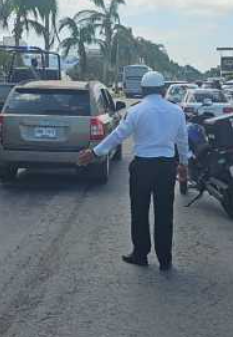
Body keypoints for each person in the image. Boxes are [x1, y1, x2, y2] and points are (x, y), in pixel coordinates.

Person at [78, 71, 188, 271]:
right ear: (163, 90)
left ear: (143, 90)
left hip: (143, 167)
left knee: (139, 211)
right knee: (165, 213)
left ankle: (140, 254)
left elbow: (117, 136)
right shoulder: (176, 111)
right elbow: (182, 140)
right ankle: (165, 259)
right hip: (166, 166)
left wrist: (94, 152)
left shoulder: (136, 111)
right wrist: (183, 164)